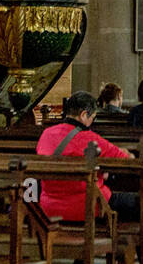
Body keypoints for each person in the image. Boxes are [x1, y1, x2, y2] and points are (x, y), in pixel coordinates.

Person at [35, 91, 135, 222]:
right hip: (87, 207)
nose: (92, 122)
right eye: (92, 118)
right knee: (136, 202)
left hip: (49, 208)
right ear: (83, 115)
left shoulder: (47, 134)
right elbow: (129, 161)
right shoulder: (90, 139)